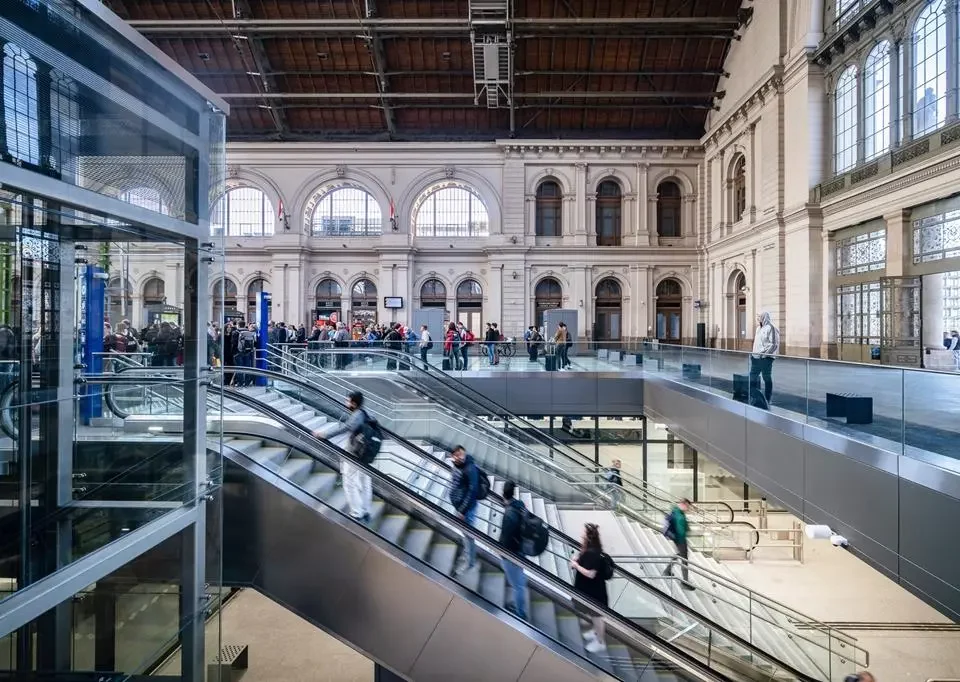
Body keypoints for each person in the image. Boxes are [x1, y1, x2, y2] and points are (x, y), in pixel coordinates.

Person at [314, 391, 373, 522]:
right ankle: (366, 510)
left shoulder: (357, 415)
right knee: (365, 482)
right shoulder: (365, 413)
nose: (346, 403)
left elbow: (346, 428)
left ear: (354, 403)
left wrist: (324, 435)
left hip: (354, 454)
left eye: (348, 401)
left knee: (349, 483)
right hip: (366, 453)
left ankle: (357, 512)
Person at [570, 523, 611, 653]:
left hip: (594, 593)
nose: (581, 535)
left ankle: (600, 642)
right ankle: (595, 633)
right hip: (594, 591)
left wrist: (576, 565)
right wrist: (578, 560)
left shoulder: (592, 553)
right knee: (595, 616)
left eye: (583, 533)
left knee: (597, 617)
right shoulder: (594, 550)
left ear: (588, 537)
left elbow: (590, 573)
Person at [498, 480, 528, 620]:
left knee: (517, 586)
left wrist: (501, 553)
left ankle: (520, 612)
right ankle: (518, 604)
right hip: (521, 549)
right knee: (519, 580)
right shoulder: (520, 505)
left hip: (512, 553)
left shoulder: (509, 514)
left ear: (503, 495)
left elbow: (506, 538)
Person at [449, 445, 481, 576]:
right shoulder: (457, 466)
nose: (458, 457)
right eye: (455, 455)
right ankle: (468, 554)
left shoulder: (469, 468)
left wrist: (462, 510)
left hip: (467, 509)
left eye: (460, 454)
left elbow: (472, 491)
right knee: (466, 534)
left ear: (465, 454)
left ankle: (470, 561)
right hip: (461, 507)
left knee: (468, 535)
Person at [749, 311, 780, 407]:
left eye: (759, 317)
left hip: (765, 358)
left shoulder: (771, 328)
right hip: (755, 358)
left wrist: (765, 354)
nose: (758, 318)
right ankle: (754, 396)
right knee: (752, 377)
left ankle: (767, 398)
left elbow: (774, 344)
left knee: (766, 377)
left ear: (764, 317)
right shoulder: (758, 328)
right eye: (757, 317)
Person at [664, 498, 695, 590]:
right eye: (688, 506)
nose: (688, 508)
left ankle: (667, 570)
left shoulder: (677, 511)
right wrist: (685, 532)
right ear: (684, 504)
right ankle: (684, 582)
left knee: (679, 555)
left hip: (676, 538)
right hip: (680, 539)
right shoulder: (679, 515)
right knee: (684, 559)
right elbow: (681, 529)